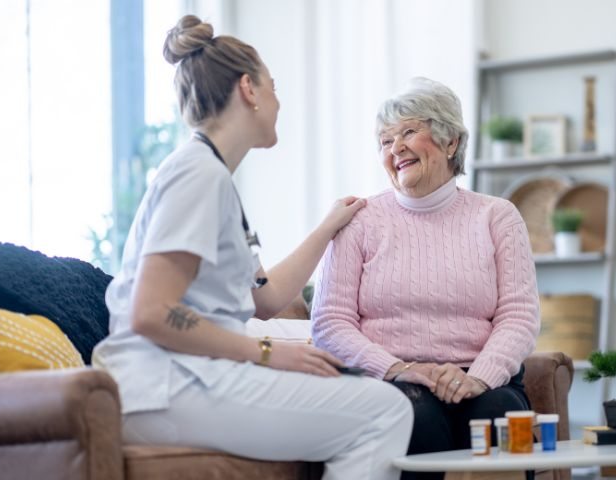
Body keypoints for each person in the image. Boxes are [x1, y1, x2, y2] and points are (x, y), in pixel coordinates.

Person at [92, 15, 413, 480]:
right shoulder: (197, 175)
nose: (278, 102)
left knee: (367, 392)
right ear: (249, 89)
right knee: (384, 410)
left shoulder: (213, 177)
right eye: (273, 87)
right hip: (162, 385)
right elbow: (150, 311)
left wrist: (327, 228)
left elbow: (266, 297)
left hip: (183, 378)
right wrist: (268, 353)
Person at [311, 78, 540, 480]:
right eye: (384, 140)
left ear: (450, 142)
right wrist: (398, 367)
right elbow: (329, 323)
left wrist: (478, 378)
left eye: (408, 132)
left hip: (480, 376)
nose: (394, 147)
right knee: (415, 411)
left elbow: (519, 316)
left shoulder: (497, 216)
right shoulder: (360, 221)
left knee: (496, 414)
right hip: (393, 380)